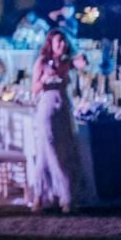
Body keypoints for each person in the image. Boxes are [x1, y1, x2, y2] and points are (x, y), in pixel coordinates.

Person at [30, 29, 87, 213]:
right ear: (51, 44)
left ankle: (42, 197)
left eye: (64, 41)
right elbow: (34, 88)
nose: (62, 44)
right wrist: (45, 79)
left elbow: (82, 64)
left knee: (62, 148)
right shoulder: (42, 61)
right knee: (50, 147)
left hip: (63, 106)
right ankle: (63, 195)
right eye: (58, 41)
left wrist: (79, 59)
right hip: (47, 106)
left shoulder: (66, 61)